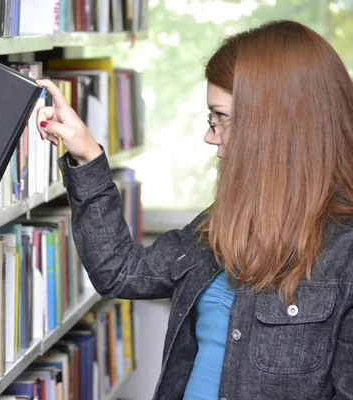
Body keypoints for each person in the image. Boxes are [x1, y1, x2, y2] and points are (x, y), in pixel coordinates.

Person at [35, 20, 353, 400]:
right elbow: (120, 272)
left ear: (273, 124)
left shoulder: (344, 253)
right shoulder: (224, 222)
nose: (209, 134)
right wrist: (86, 154)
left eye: (220, 117)